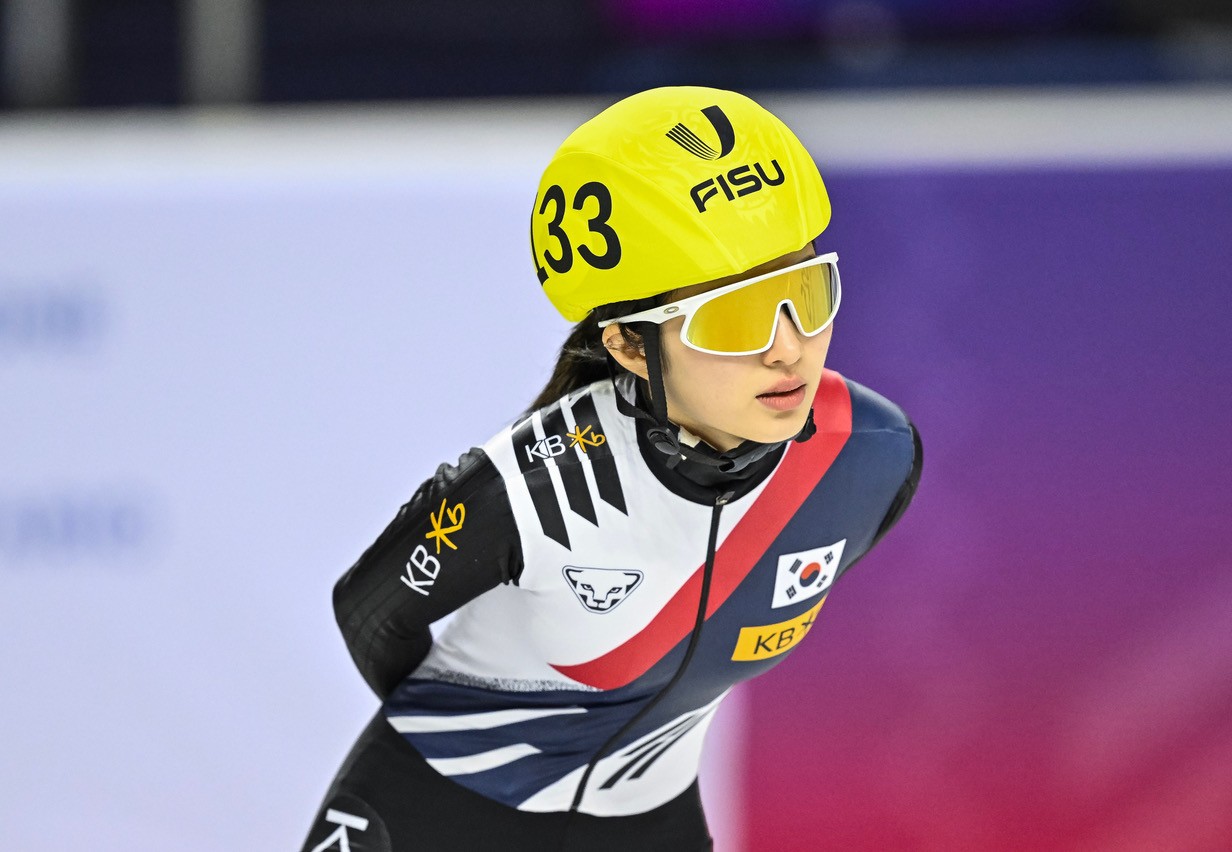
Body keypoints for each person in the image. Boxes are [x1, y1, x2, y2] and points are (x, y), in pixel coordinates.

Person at [301, 85, 922, 852]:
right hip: (436, 809)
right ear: (629, 346)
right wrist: (460, 734)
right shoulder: (535, 487)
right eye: (733, 318)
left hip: (643, 821)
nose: (786, 346)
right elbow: (371, 615)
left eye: (803, 291)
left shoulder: (871, 456)